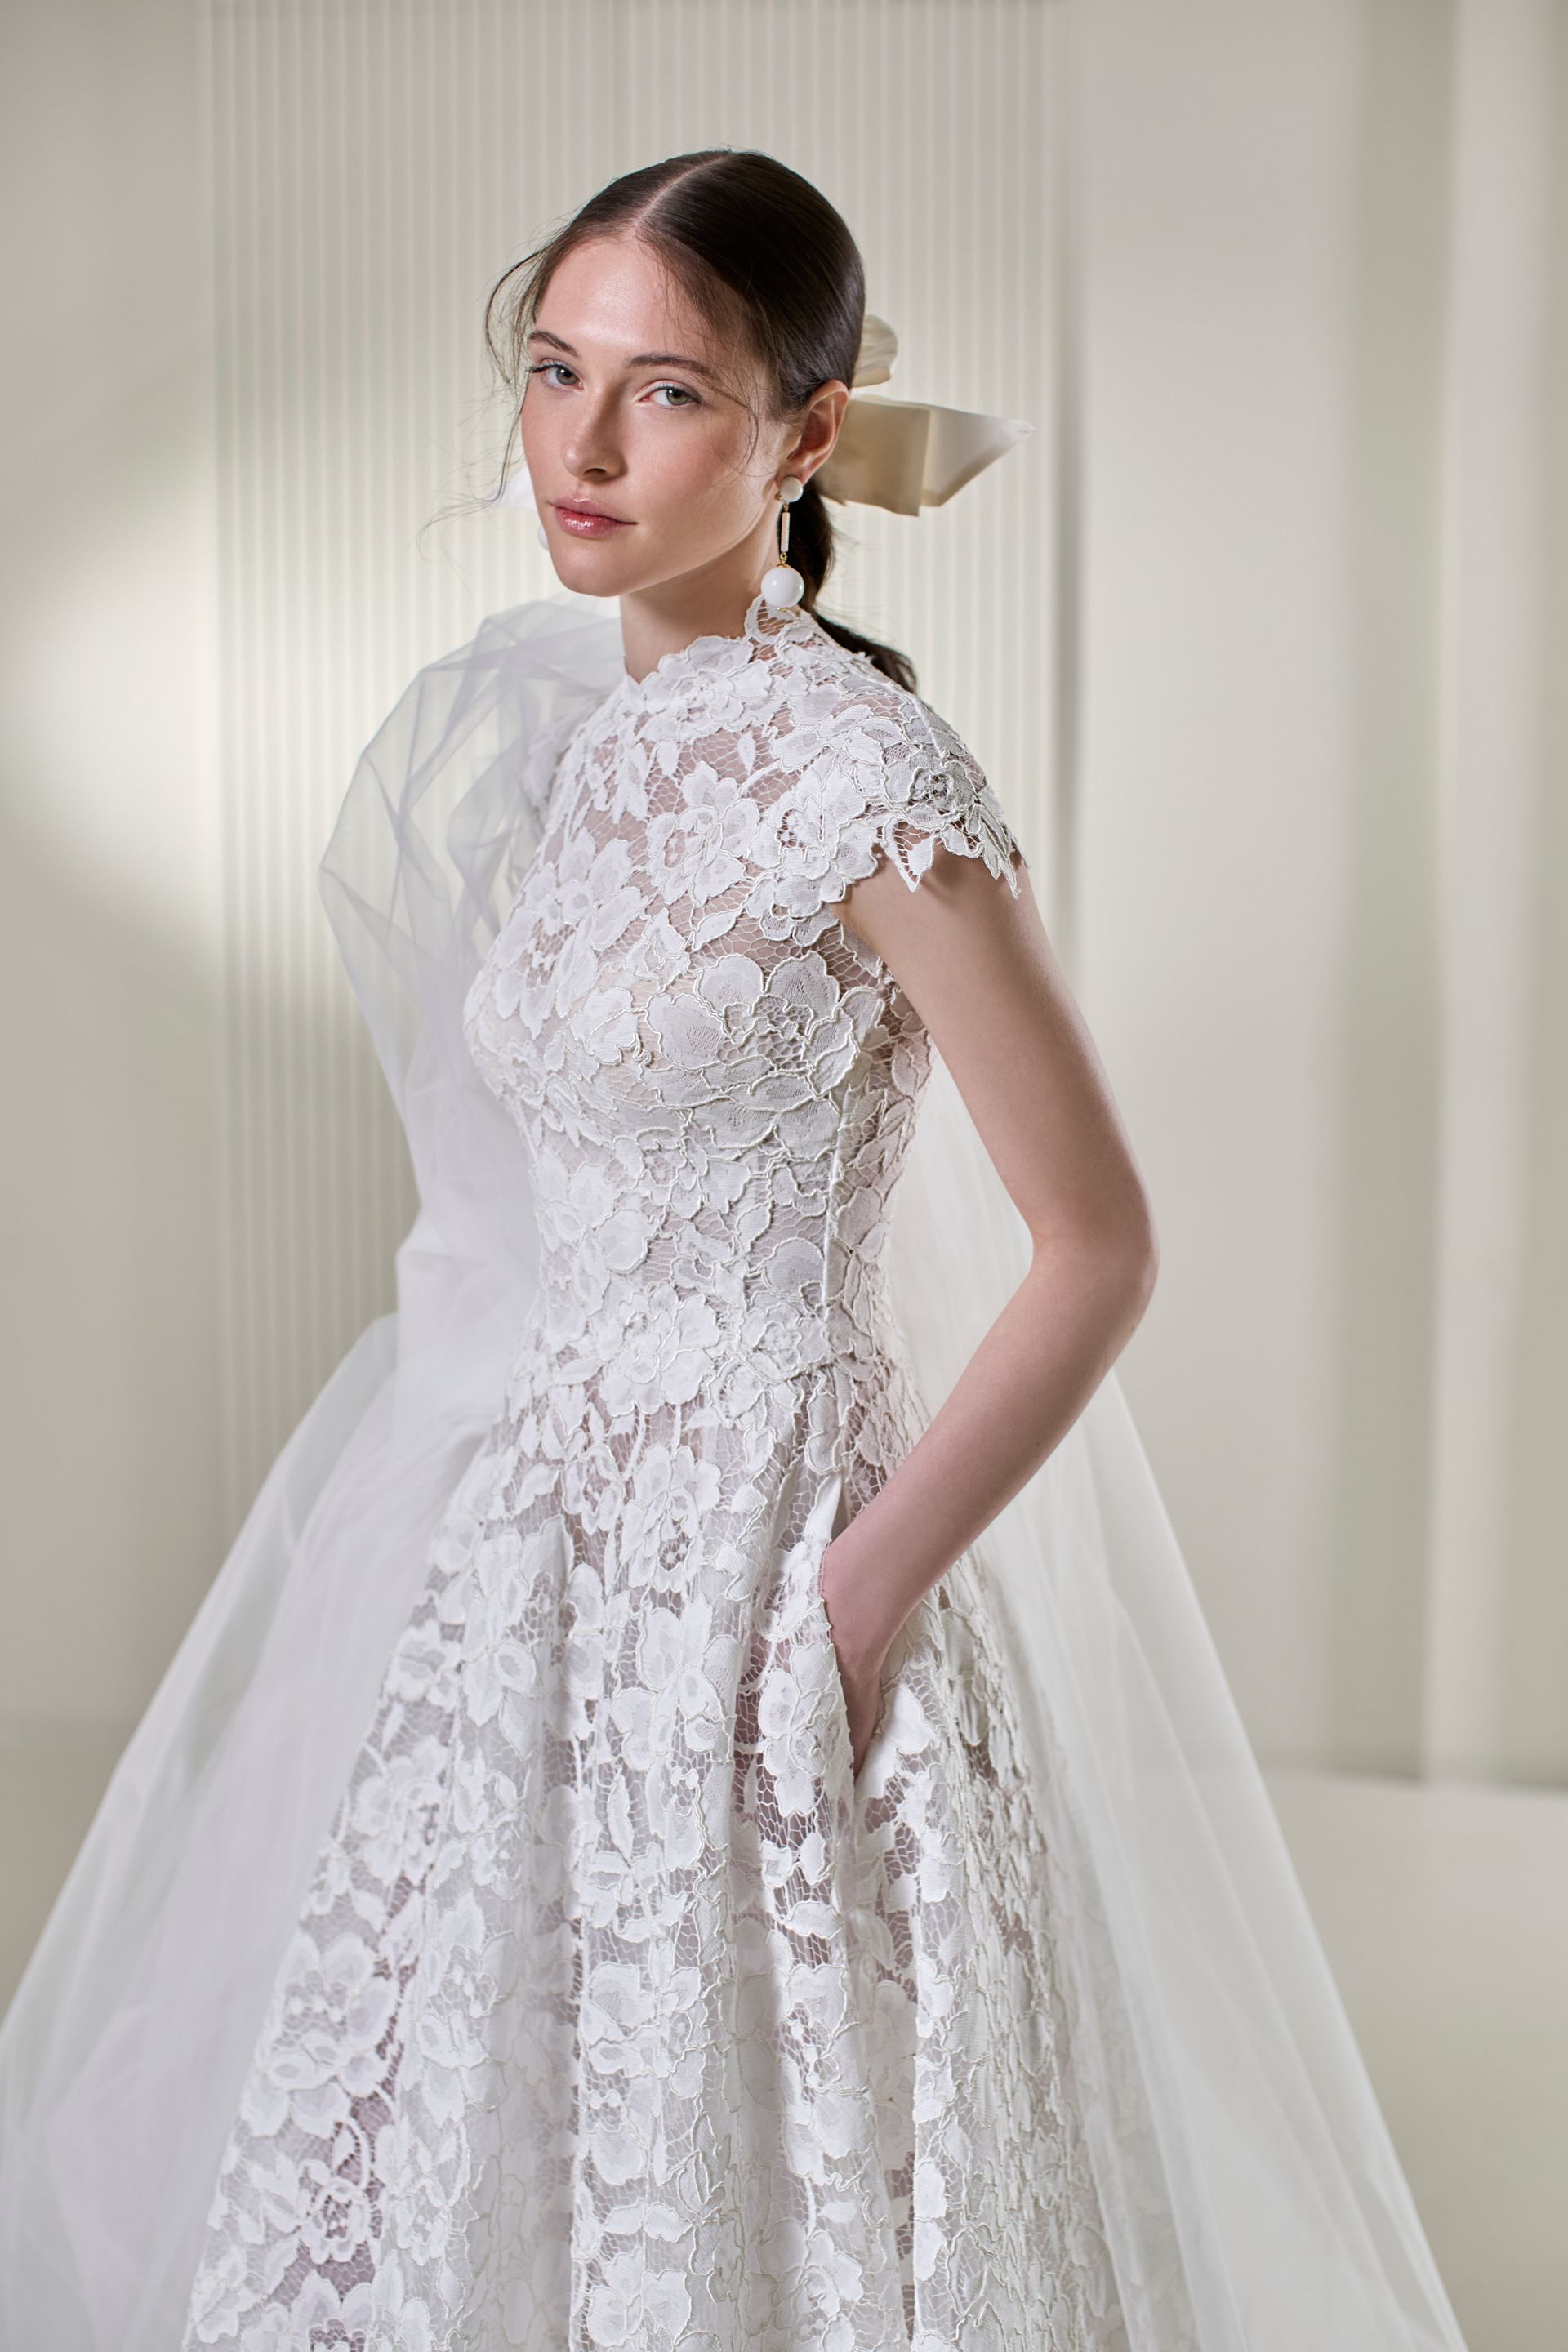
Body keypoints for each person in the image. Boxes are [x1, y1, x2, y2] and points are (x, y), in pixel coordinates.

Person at [0, 151, 1471, 2352]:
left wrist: (856, 1601)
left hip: (776, 1550)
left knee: (768, 2152)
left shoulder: (866, 779)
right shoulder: (580, 737)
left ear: (808, 433)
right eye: (554, 372)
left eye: (668, 392)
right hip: (543, 1541)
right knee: (475, 2136)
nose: (583, 446)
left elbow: (1097, 1243)